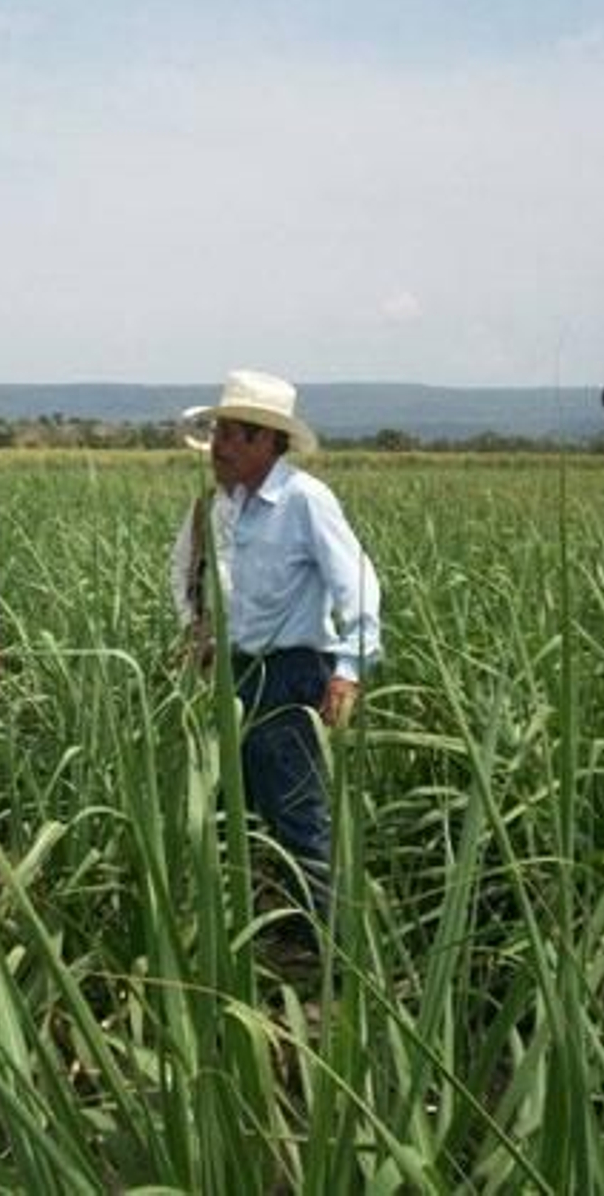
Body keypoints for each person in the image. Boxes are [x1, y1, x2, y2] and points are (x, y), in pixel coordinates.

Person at [169, 370, 382, 950]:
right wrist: (197, 631)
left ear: (270, 442)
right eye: (218, 431)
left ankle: (333, 955)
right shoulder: (216, 506)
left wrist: (349, 670)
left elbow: (356, 583)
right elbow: (184, 574)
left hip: (289, 676)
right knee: (244, 814)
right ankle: (284, 930)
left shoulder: (304, 501)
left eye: (235, 434)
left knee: (297, 816)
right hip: (228, 675)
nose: (220, 444)